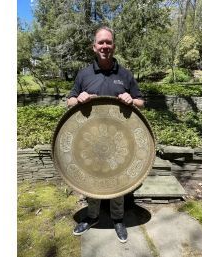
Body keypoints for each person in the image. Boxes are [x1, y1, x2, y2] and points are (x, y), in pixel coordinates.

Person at [67, 26, 144, 243]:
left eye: (108, 42)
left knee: (118, 180)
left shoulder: (125, 75)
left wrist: (132, 100)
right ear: (94, 47)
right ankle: (92, 217)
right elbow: (69, 101)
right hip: (90, 140)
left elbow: (141, 102)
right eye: (100, 42)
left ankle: (118, 219)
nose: (104, 46)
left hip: (119, 140)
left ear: (114, 46)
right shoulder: (84, 74)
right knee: (92, 179)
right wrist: (78, 98)